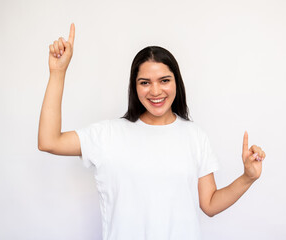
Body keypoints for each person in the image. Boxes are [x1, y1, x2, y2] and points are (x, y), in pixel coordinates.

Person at [38, 23, 266, 240]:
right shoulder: (108, 135)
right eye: (145, 82)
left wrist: (248, 177)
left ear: (176, 82)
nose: (155, 91)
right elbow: (49, 141)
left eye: (164, 80)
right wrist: (58, 72)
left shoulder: (194, 136)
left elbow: (210, 204)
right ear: (134, 86)